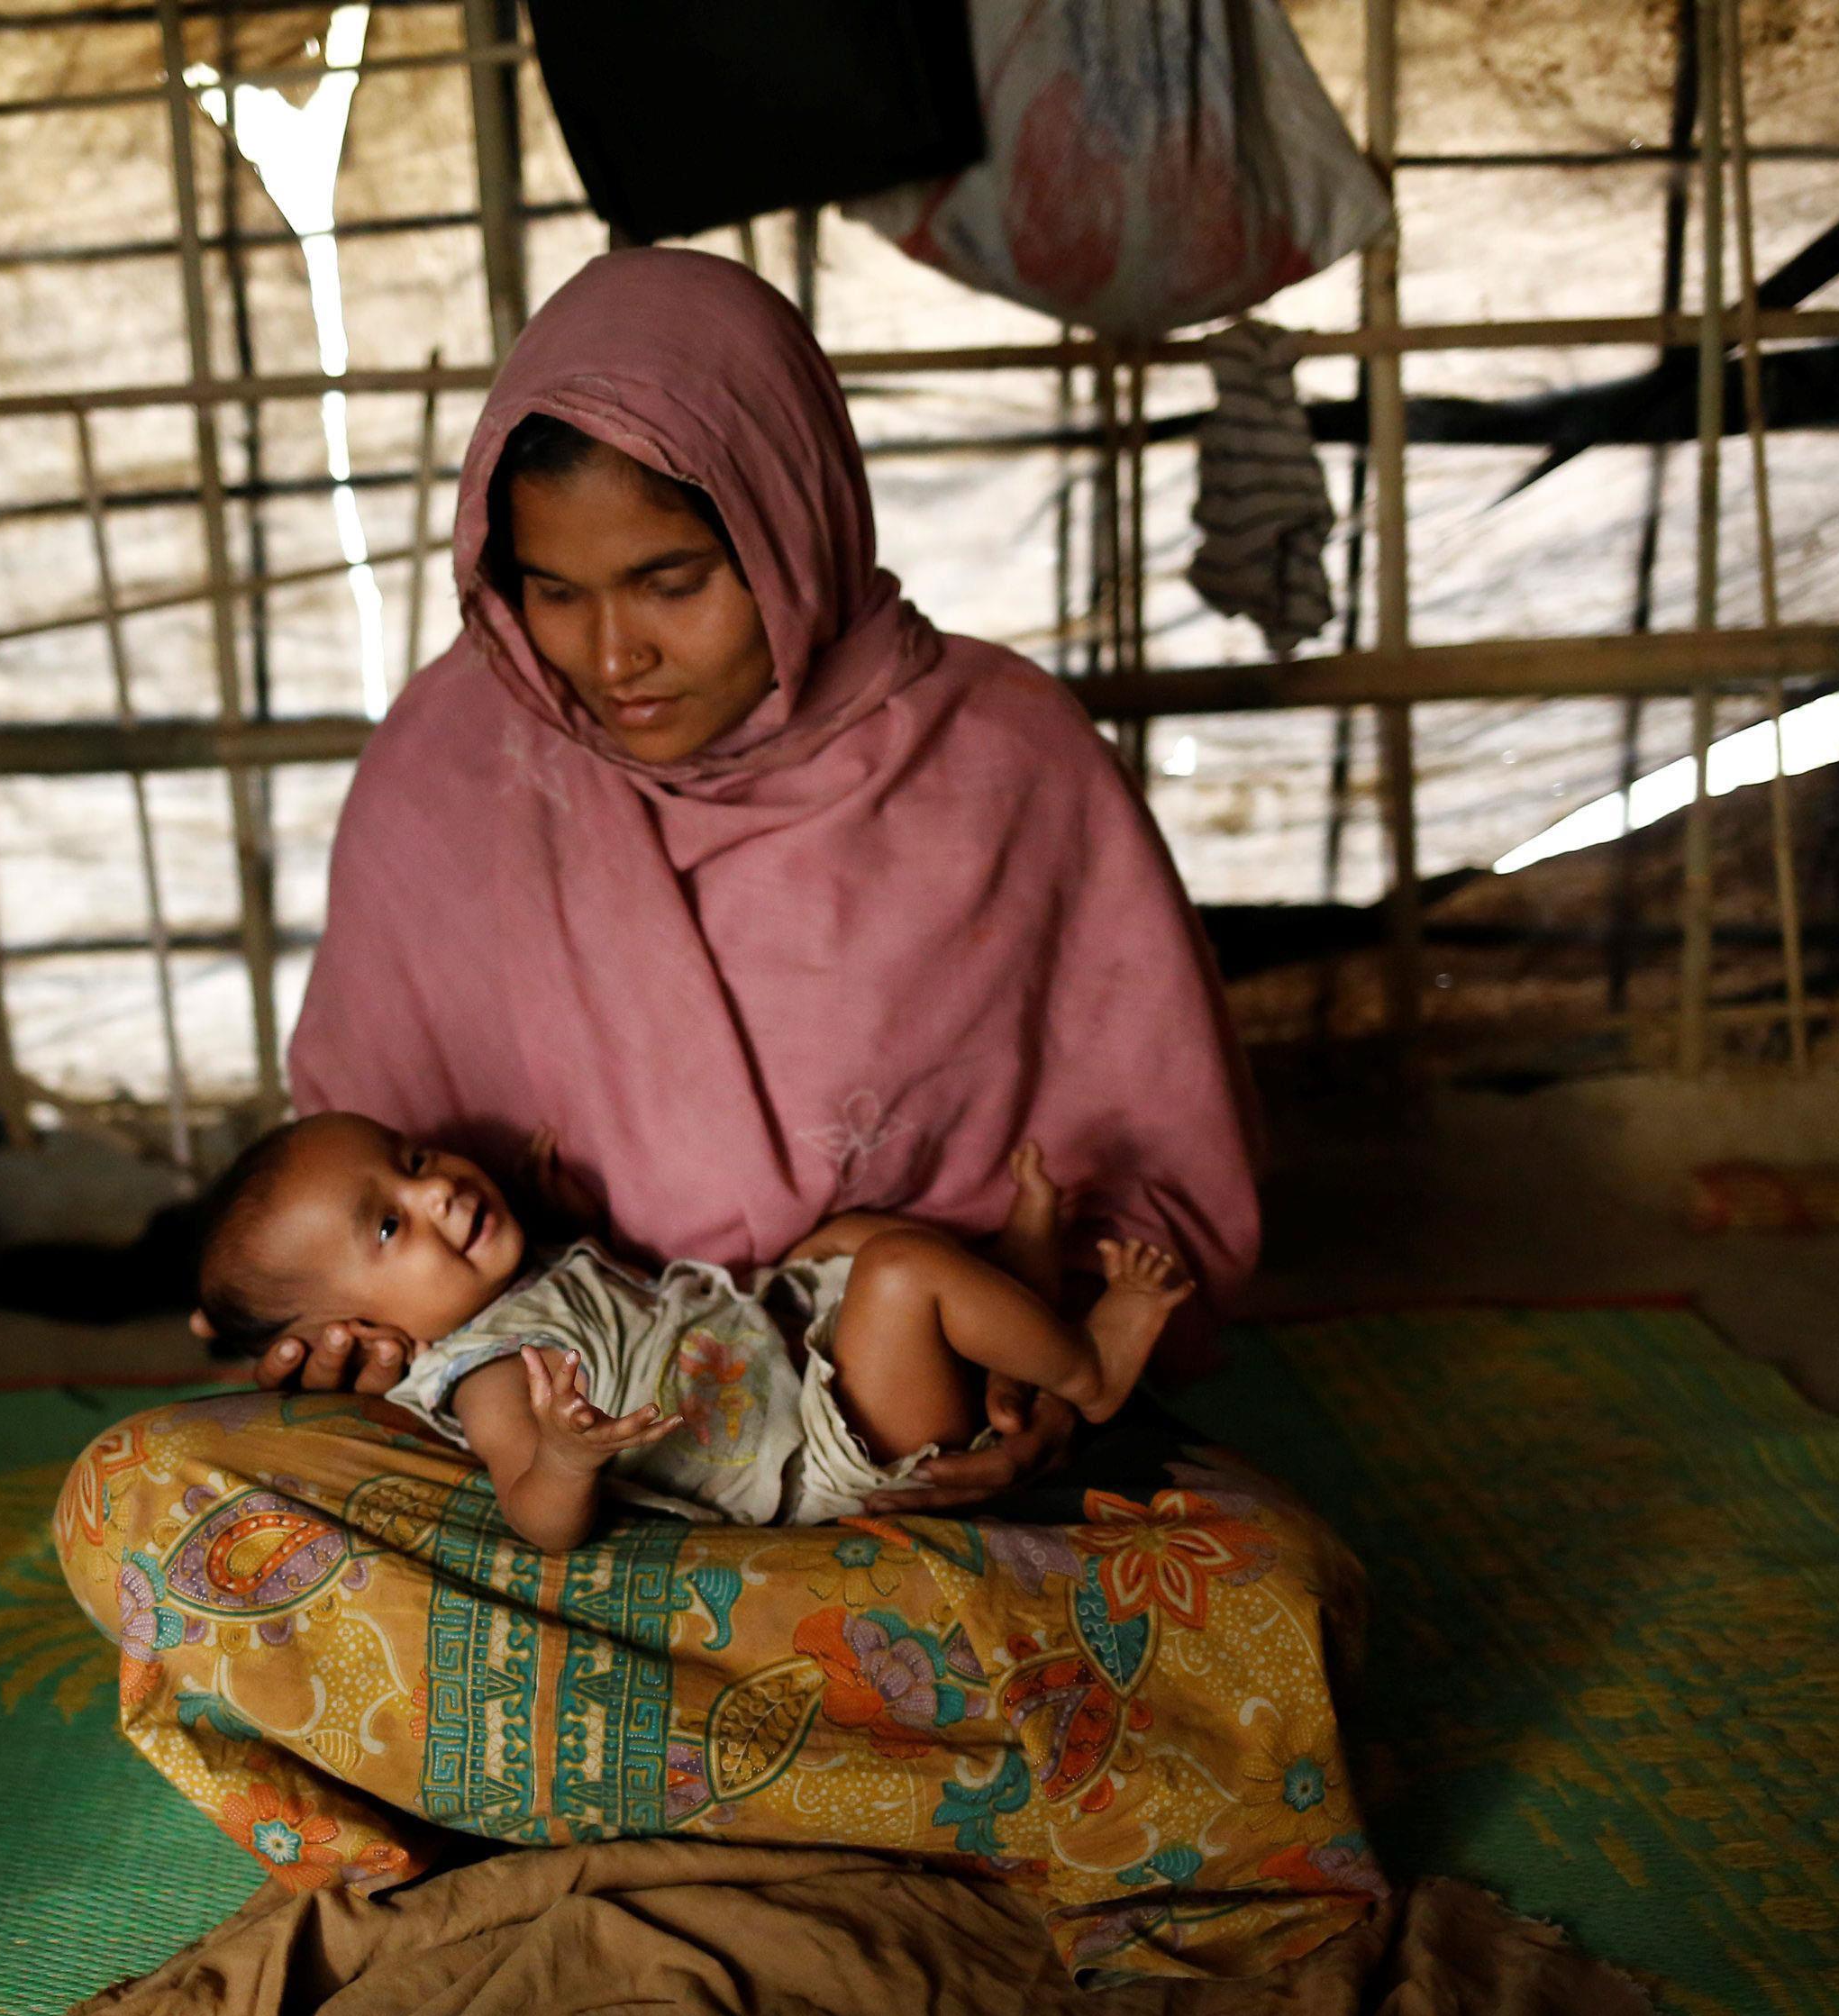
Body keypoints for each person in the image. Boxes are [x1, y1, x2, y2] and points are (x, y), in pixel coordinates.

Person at [250, 245, 1258, 1513]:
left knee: (1261, 1617)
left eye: (672, 583)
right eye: (553, 593)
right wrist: (362, 1334)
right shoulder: (451, 764)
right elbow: (349, 1192)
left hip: (930, 1423)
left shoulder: (1009, 763)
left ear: (793, 530)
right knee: (161, 1499)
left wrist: (1036, 1365)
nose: (615, 656)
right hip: (581, 1449)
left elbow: (1156, 1180)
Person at [191, 1112, 1192, 1549]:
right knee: (897, 1272)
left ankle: (1021, 1289)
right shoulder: (494, 1372)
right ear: (365, 1330)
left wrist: (569, 1215)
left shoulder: (505, 1281)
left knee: (845, 1238)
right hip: (824, 1462)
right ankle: (1091, 1368)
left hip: (785, 1346)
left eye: (409, 1156)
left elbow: (615, 1308)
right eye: (387, 1223)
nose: (435, 1188)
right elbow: (538, 1517)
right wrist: (564, 1452)